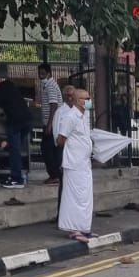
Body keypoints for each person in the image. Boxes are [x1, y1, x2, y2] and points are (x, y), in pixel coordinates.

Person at [55, 83, 94, 239]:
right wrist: (73, 148)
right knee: (74, 197)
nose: (89, 101)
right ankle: (73, 230)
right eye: (86, 99)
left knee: (85, 197)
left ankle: (84, 228)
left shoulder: (85, 116)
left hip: (84, 163)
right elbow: (60, 139)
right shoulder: (70, 117)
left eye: (89, 98)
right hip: (73, 163)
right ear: (78, 101)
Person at [0, 64, 31, 188]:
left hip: (14, 121)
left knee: (14, 150)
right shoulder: (9, 84)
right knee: (12, 147)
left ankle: (17, 179)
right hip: (27, 119)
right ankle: (5, 165)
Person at [38, 63, 63, 184]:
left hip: (52, 124)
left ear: (49, 73)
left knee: (47, 149)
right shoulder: (47, 85)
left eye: (43, 74)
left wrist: (49, 124)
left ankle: (55, 174)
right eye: (39, 74)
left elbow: (54, 105)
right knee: (51, 149)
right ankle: (55, 174)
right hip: (51, 123)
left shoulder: (51, 86)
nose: (40, 76)